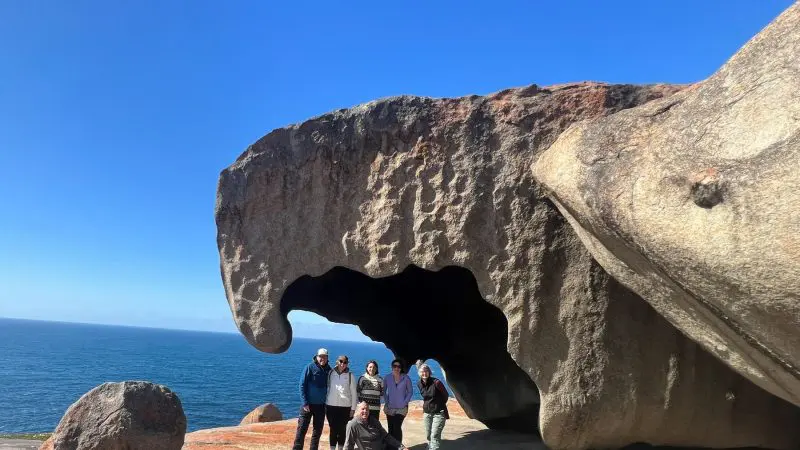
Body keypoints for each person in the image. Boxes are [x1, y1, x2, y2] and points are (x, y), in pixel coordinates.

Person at [292, 348, 332, 450]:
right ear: (317, 357)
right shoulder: (309, 367)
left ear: (327, 358)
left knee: (317, 432)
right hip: (307, 405)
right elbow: (302, 385)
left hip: (321, 406)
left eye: (324, 356)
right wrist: (305, 403)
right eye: (320, 356)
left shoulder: (329, 370)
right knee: (301, 430)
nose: (322, 358)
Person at [344, 401, 408, 450]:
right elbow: (348, 444)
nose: (365, 411)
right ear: (357, 410)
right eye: (363, 409)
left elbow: (386, 436)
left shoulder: (373, 420)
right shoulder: (353, 424)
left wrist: (401, 447)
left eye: (367, 409)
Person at [326, 355, 358, 450]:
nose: (342, 364)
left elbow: (354, 393)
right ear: (337, 361)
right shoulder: (330, 373)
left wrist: (353, 409)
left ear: (347, 364)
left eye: (345, 362)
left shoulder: (350, 375)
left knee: (342, 430)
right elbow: (327, 388)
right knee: (333, 429)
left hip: (345, 407)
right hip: (331, 406)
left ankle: (340, 448)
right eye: (341, 361)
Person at [417, 363, 449, 450]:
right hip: (427, 413)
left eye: (426, 371)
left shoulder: (437, 382)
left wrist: (439, 405)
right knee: (428, 435)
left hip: (439, 413)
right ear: (419, 373)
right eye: (422, 372)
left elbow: (446, 395)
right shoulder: (419, 384)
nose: (424, 373)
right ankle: (430, 447)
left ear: (429, 372)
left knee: (434, 435)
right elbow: (426, 397)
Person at [382, 359, 413, 443]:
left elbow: (410, 391)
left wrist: (405, 402)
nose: (396, 368)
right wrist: (387, 402)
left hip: (401, 408)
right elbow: (384, 391)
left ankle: (399, 446)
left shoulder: (406, 378)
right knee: (391, 428)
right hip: (390, 407)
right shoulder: (387, 377)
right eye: (394, 366)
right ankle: (391, 446)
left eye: (398, 366)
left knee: (396, 427)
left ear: (401, 368)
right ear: (392, 367)